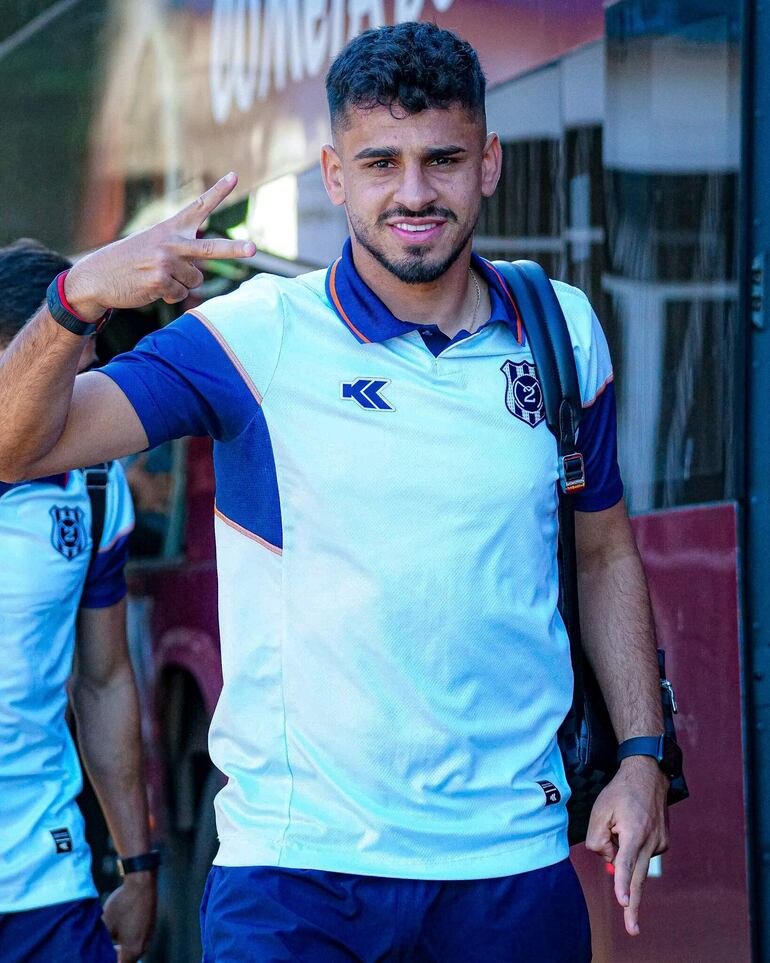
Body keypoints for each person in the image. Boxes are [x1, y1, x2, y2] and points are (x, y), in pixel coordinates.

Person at [0, 23, 674, 961]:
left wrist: (643, 755)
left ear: (488, 163)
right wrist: (77, 299)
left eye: (443, 159)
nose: (414, 192)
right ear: (333, 175)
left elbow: (602, 555)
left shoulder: (563, 330)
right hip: (297, 877)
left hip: (510, 866)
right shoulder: (253, 336)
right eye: (380, 162)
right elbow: (16, 447)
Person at [0, 241, 156, 962]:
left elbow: (104, 679)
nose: (84, 391)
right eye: (64, 366)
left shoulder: (93, 486)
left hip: (45, 878)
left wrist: (137, 863)